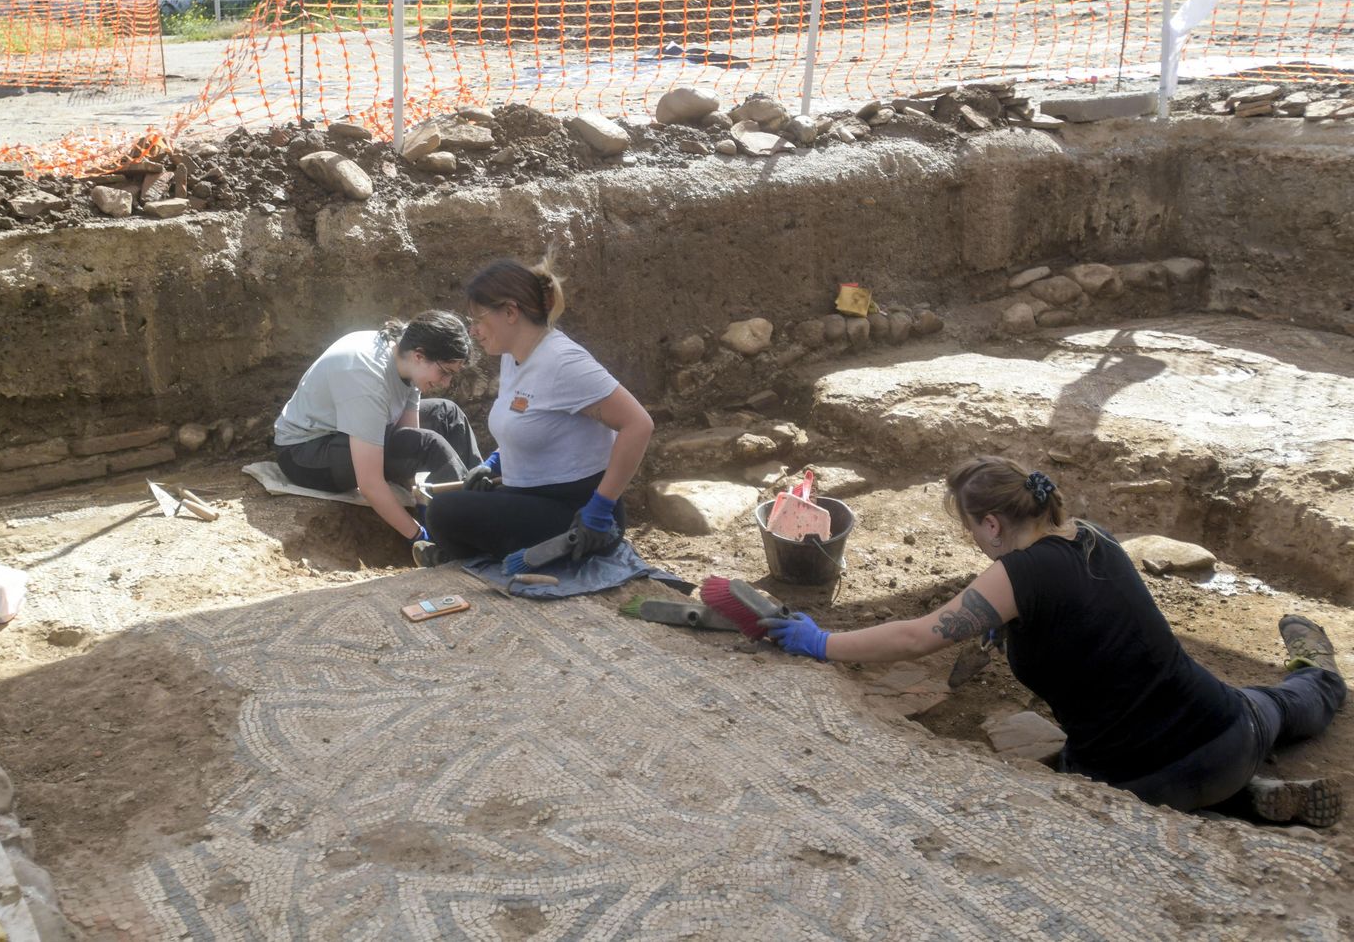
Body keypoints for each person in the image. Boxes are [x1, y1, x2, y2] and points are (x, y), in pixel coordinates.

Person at [760, 456, 1346, 827]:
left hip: (1134, 786)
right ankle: (1313, 682)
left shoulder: (1014, 576)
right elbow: (1082, 610)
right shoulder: (1096, 540)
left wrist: (821, 642)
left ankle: (1245, 797)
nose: (973, 541)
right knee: (1281, 701)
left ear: (991, 525)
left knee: (1071, 770)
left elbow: (917, 637)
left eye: (971, 528)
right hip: (1227, 735)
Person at [419, 259, 654, 569]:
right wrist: (494, 463)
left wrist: (600, 507)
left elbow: (638, 424)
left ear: (510, 313)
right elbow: (531, 424)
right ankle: (485, 558)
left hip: (576, 513)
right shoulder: (513, 357)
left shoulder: (563, 362)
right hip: (530, 497)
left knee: (443, 513)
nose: (473, 331)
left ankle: (481, 559)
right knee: (449, 508)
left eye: (477, 319)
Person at [272, 310, 481, 547]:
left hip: (348, 428)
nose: (446, 383)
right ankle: (468, 533)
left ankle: (484, 500)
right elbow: (370, 483)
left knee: (447, 413)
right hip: (305, 454)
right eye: (444, 372)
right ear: (419, 356)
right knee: (430, 446)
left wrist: (416, 487)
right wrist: (420, 536)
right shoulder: (367, 376)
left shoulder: (405, 356)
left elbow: (410, 434)